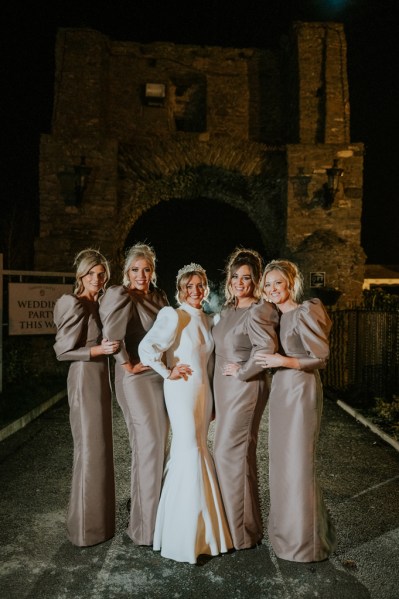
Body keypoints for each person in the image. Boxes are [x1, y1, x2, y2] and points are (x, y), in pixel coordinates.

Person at [138, 263, 233, 564]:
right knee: (188, 450)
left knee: (199, 449)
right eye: (188, 286)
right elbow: (146, 347)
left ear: (206, 288)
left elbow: (209, 364)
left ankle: (205, 531)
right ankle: (183, 536)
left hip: (202, 392)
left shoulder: (206, 317)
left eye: (200, 285)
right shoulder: (173, 315)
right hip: (180, 389)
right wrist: (167, 371)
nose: (195, 291)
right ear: (180, 289)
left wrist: (215, 401)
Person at [256, 259, 337, 562]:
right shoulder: (274, 317)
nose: (273, 289)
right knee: (282, 464)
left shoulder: (305, 312)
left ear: (291, 283)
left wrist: (282, 362)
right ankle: (286, 537)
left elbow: (320, 356)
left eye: (278, 282)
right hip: (281, 391)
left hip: (301, 389)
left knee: (299, 463)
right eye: (268, 284)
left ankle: (306, 544)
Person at [99, 242, 169, 546]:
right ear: (127, 270)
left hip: (160, 377)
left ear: (153, 271)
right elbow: (112, 336)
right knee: (149, 446)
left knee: (157, 448)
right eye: (136, 269)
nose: (142, 274)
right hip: (136, 379)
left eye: (147, 269)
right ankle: (144, 529)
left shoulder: (159, 296)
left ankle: (155, 520)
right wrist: (127, 365)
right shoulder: (121, 295)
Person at [212, 248, 279, 550]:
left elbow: (264, 349)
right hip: (223, 391)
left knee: (231, 453)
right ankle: (238, 525)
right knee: (232, 454)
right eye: (236, 276)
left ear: (256, 281)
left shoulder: (259, 310)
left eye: (247, 278)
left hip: (245, 388)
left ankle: (240, 532)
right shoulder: (227, 311)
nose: (240, 282)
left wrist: (242, 371)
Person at [53, 248, 119, 547]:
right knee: (89, 452)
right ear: (81, 275)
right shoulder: (74, 303)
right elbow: (62, 351)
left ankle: (100, 526)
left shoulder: (99, 304)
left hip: (101, 377)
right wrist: (97, 351)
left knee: (102, 451)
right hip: (83, 377)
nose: (97, 277)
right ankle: (83, 531)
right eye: (91, 273)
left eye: (101, 273)